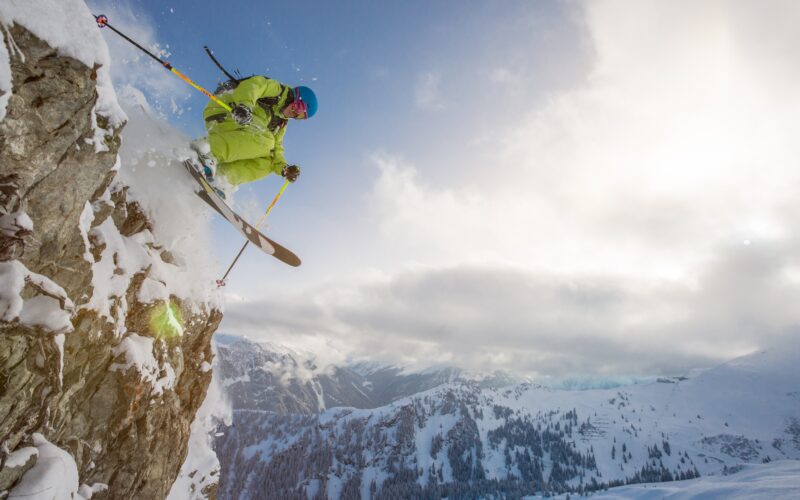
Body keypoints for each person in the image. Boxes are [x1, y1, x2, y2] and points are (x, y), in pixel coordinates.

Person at [192, 76, 317, 192]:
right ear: (295, 97)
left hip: (240, 127)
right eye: (299, 108)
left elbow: (276, 149)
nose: (294, 114)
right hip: (227, 109)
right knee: (267, 141)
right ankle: (206, 150)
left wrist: (284, 169)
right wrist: (244, 106)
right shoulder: (278, 91)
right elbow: (253, 86)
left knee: (267, 163)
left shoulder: (281, 123)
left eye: (299, 116)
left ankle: (221, 177)